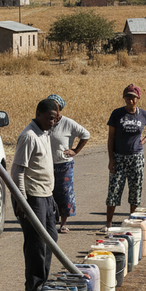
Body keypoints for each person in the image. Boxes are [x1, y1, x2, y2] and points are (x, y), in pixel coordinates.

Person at [11, 99, 60, 291]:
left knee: (51, 239)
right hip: (32, 198)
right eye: (49, 118)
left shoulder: (45, 133)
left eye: (55, 119)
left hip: (46, 196)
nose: (52, 122)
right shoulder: (29, 136)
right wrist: (22, 200)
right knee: (36, 246)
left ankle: (42, 284)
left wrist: (51, 197)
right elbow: (17, 171)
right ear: (38, 113)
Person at [105, 84, 146, 230]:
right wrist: (111, 160)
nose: (130, 100)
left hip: (136, 157)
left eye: (133, 97)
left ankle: (132, 222)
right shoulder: (117, 114)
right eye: (128, 97)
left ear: (138, 98)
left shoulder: (143, 114)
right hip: (119, 157)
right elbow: (110, 138)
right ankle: (108, 223)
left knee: (135, 190)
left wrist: (144, 140)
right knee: (114, 190)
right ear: (124, 98)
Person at [47, 94, 90, 234]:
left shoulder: (68, 123)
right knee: (49, 194)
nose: (53, 111)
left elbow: (86, 134)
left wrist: (75, 150)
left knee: (65, 194)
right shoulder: (45, 122)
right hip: (47, 164)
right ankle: (50, 223)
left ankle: (63, 224)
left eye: (55, 108)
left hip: (64, 165)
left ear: (60, 110)